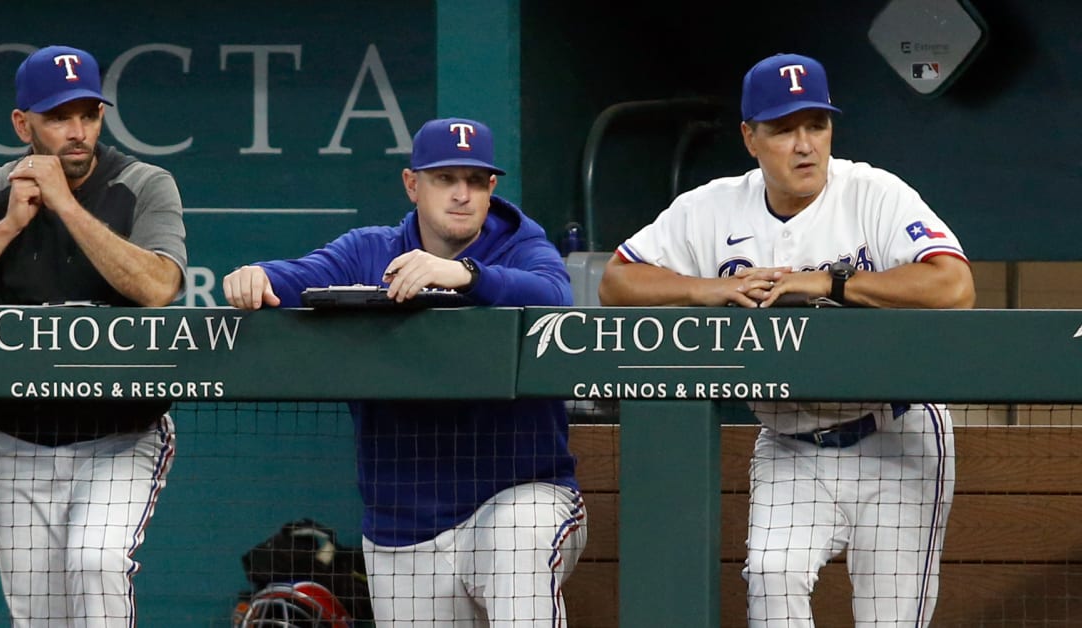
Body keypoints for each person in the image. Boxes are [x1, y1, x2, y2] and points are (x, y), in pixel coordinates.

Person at [598, 53, 974, 626]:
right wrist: (709, 290)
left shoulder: (874, 192)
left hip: (898, 433)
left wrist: (830, 281)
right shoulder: (711, 206)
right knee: (772, 577)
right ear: (750, 137)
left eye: (816, 125)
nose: (805, 144)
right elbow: (616, 281)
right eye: (783, 129)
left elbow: (953, 285)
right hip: (790, 440)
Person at [223, 117, 587, 627]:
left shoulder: (519, 246)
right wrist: (257, 275)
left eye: (475, 181)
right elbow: (296, 277)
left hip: (520, 495)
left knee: (516, 541)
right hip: (405, 524)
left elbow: (555, 295)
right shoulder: (369, 251)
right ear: (412, 184)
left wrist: (464, 275)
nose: (462, 194)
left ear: (491, 189)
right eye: (445, 179)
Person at [0, 45, 186, 626]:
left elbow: (159, 286)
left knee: (96, 561)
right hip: (21, 442)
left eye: (88, 114)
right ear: (22, 123)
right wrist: (9, 224)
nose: (77, 131)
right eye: (59, 118)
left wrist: (64, 204)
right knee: (38, 614)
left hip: (121, 434)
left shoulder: (143, 182)